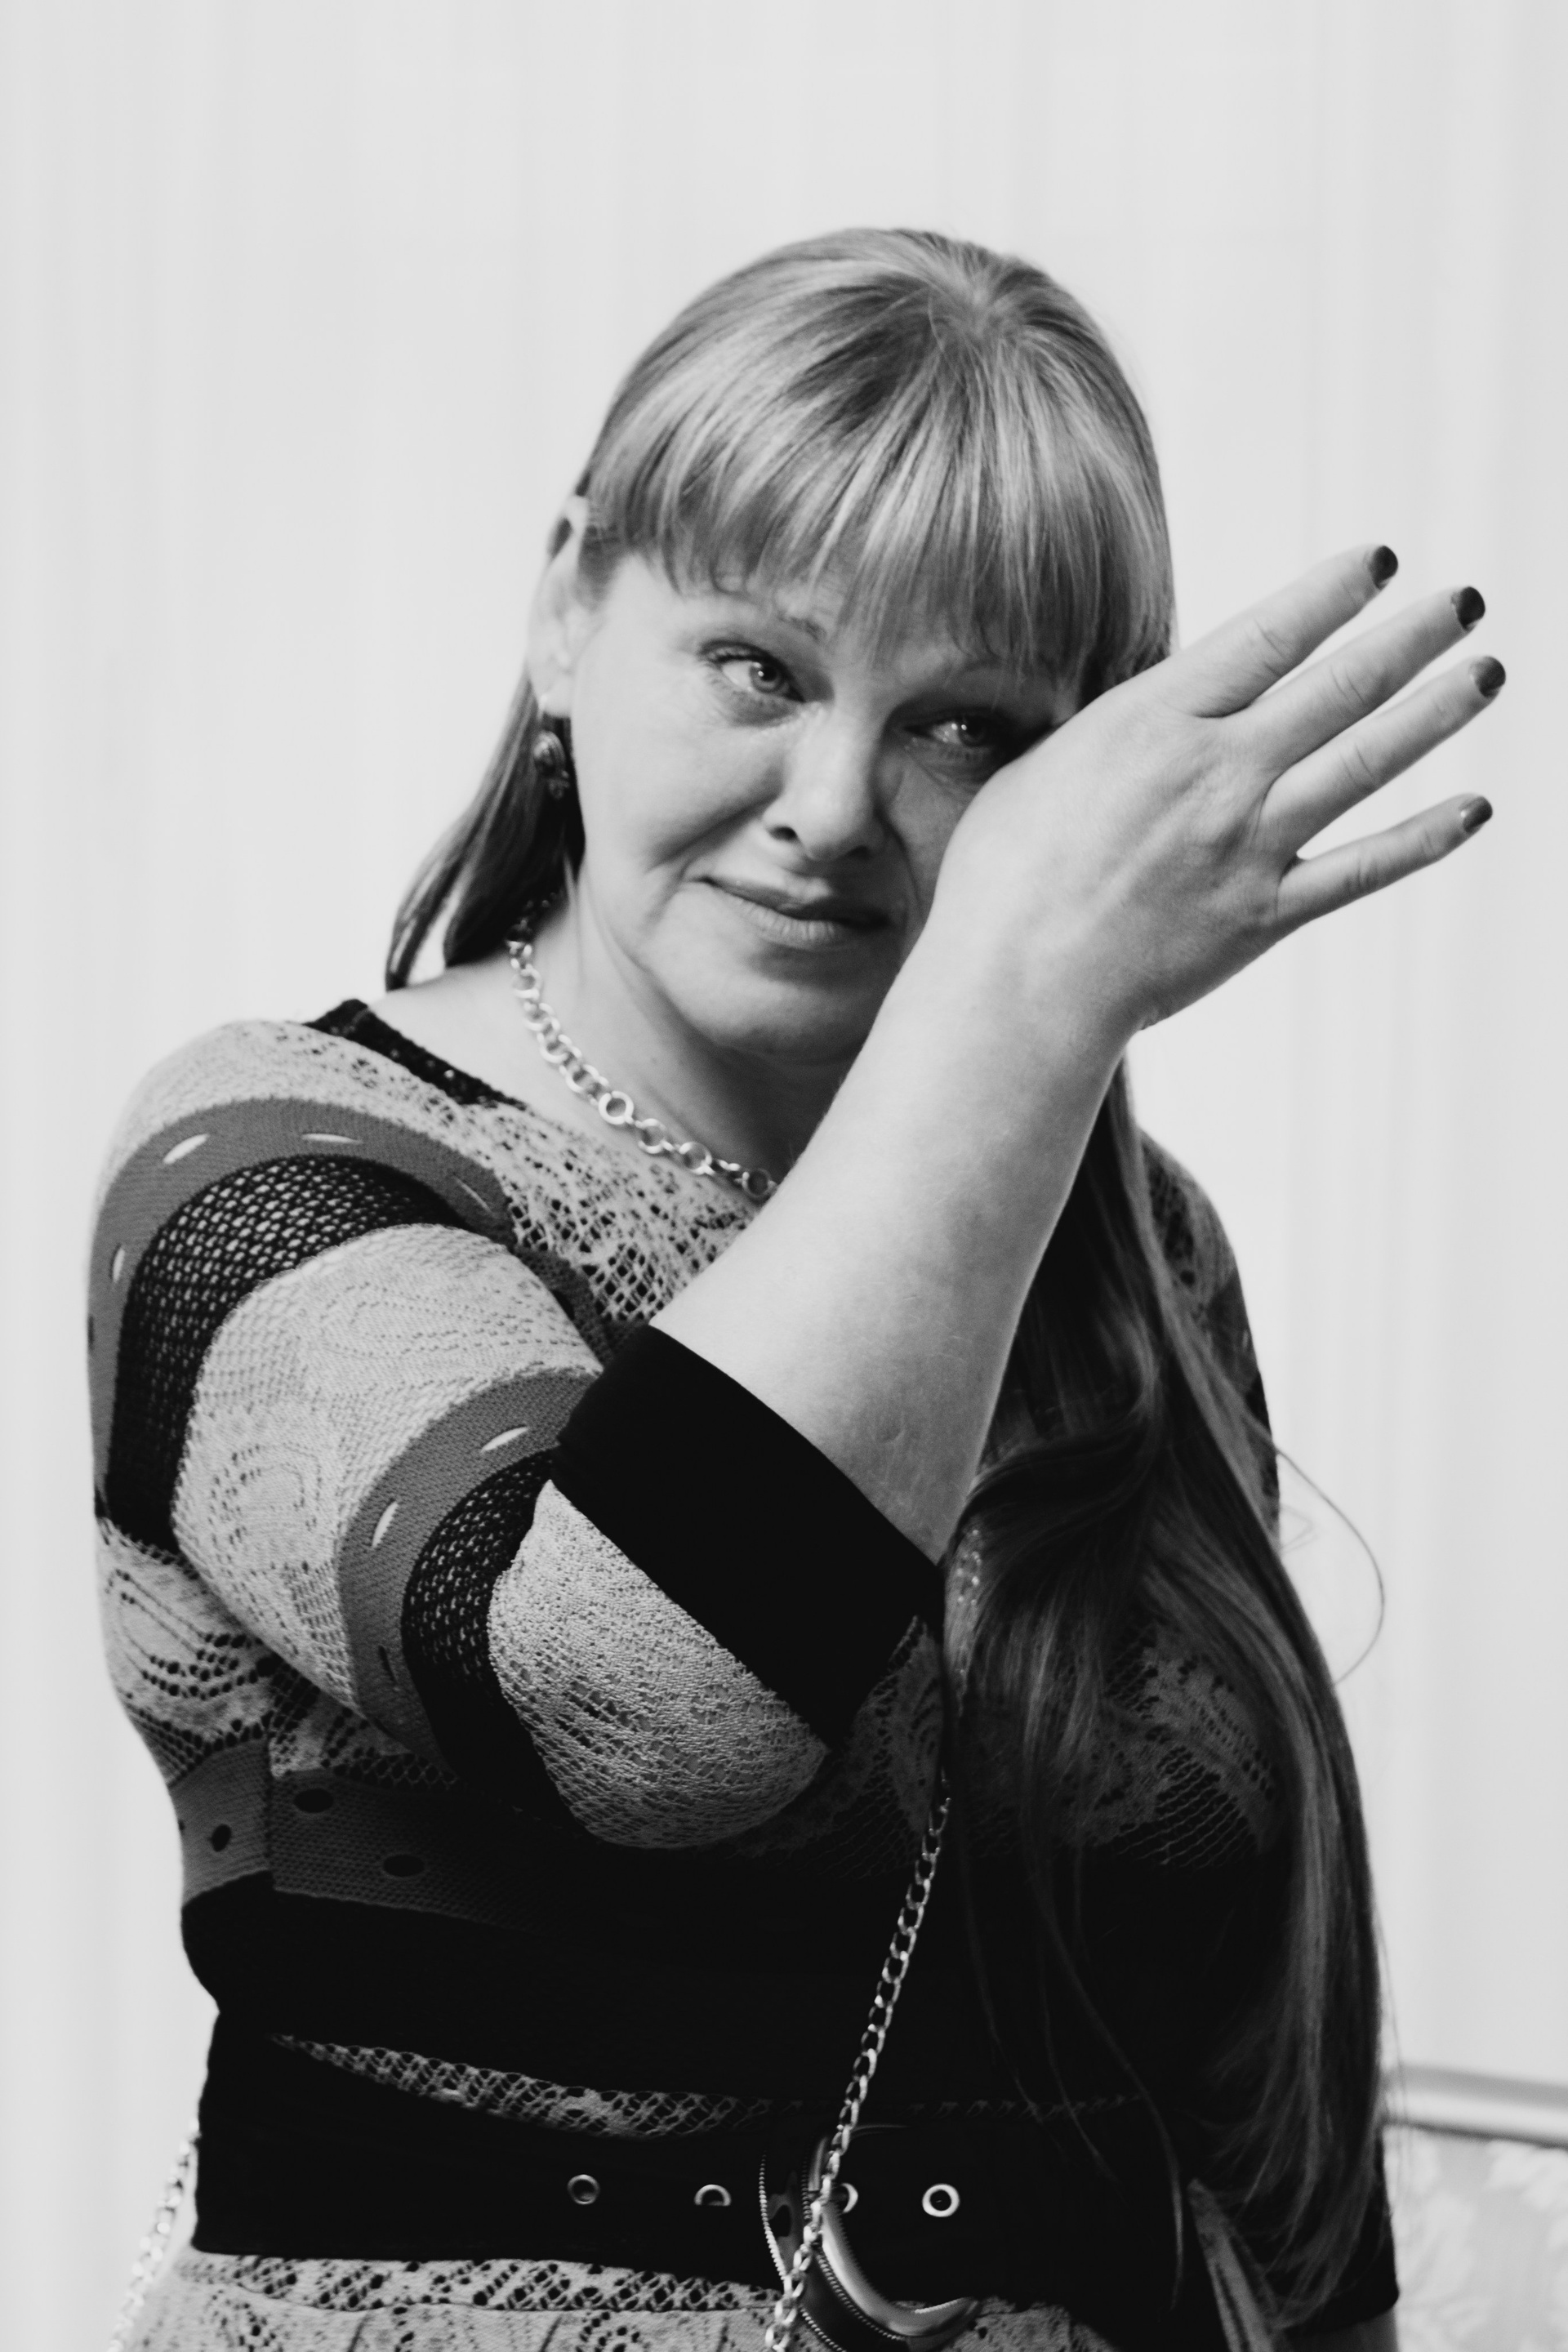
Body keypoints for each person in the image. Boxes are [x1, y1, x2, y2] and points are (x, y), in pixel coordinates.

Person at [91, 229, 1502, 2352]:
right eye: (759, 668)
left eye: (967, 726)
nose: (836, 812)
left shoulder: (1129, 1243)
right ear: (570, 608)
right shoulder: (271, 1163)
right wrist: (1024, 989)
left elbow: (1252, 2015)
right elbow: (636, 1704)